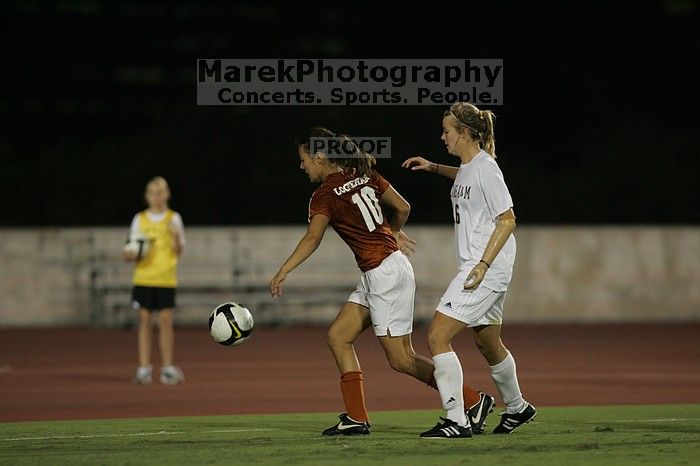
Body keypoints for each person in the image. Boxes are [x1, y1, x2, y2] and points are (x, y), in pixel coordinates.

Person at [270, 127, 494, 437]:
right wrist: (391, 232)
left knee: (402, 359)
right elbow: (403, 207)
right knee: (338, 336)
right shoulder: (365, 174)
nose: (302, 165)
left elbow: (313, 237)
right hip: (381, 271)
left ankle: (472, 401)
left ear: (319, 157)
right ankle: (357, 417)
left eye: (303, 159)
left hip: (384, 275)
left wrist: (284, 269)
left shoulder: (324, 194)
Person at [402, 102, 536, 438]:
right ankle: (518, 408)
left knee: (436, 335)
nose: (442, 135)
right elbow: (465, 179)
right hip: (484, 266)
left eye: (447, 130)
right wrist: (433, 167)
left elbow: (508, 219)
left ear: (464, 133)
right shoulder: (470, 167)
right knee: (488, 342)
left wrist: (483, 264)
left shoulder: (486, 168)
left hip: (484, 267)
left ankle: (456, 420)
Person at [124, 176, 186, 385]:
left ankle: (167, 368)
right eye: (152, 193)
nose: (156, 197)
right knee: (144, 321)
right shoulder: (139, 219)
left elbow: (179, 251)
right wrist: (130, 253)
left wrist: (175, 237)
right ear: (147, 196)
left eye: (160, 193)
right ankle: (143, 368)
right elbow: (129, 250)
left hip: (165, 277)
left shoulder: (173, 218)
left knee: (166, 321)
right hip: (143, 277)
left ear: (166, 195)